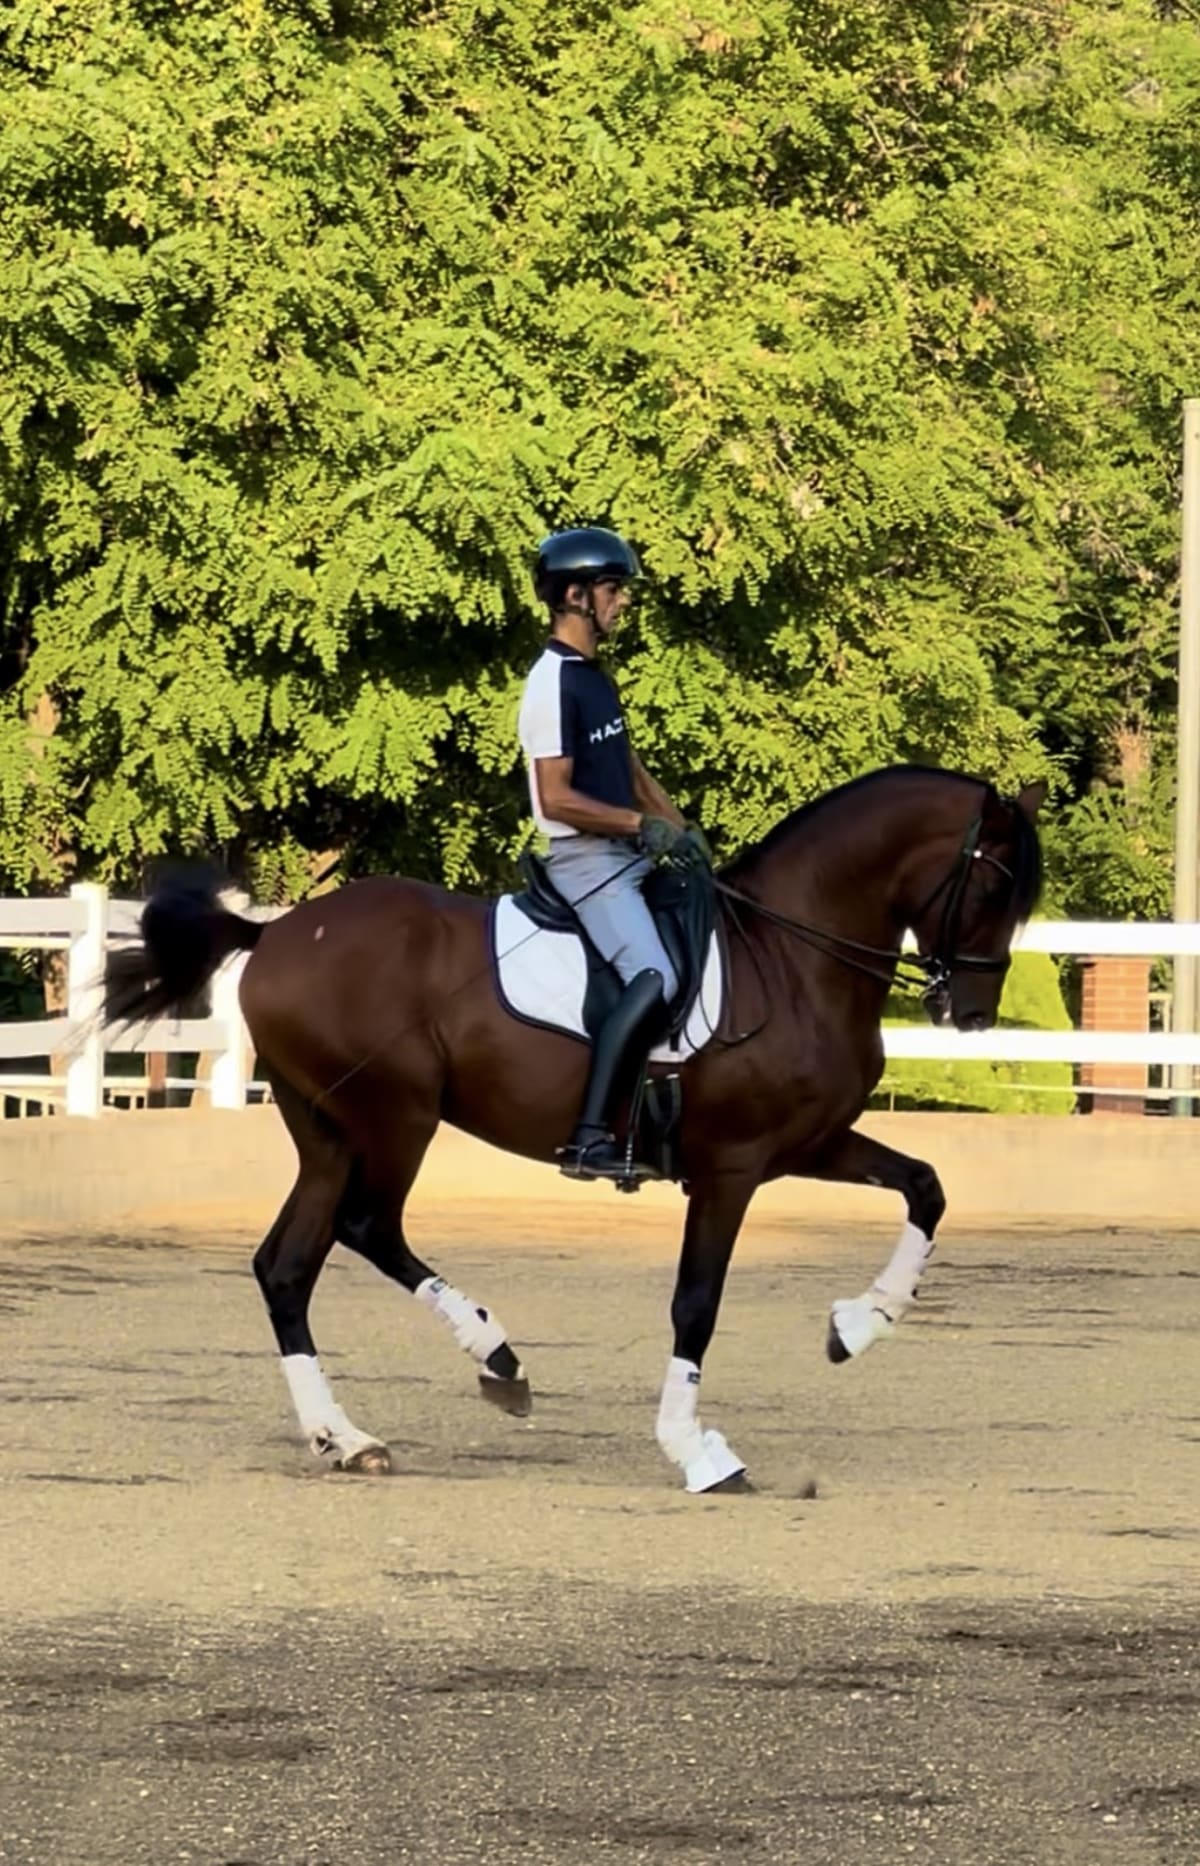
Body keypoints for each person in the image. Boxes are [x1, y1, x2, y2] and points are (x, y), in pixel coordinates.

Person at [518, 526, 708, 1182]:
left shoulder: (595, 680)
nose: (622, 601)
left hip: (627, 856)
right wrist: (639, 826)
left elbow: (630, 770)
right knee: (657, 977)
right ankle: (591, 1136)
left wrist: (680, 829)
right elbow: (556, 797)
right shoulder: (550, 683)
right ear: (574, 595)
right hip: (586, 864)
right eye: (612, 589)